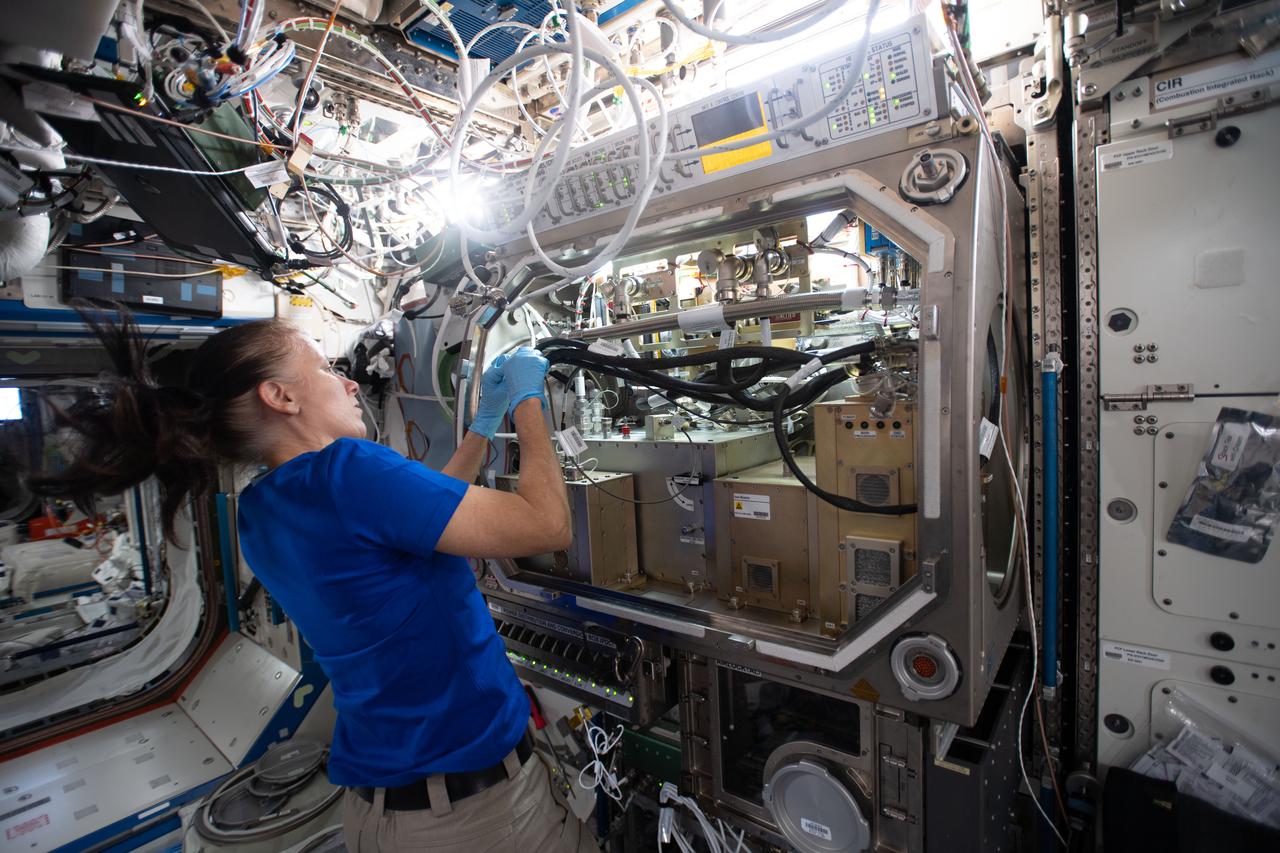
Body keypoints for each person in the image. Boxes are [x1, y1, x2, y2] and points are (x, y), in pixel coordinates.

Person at [30, 306, 598, 853]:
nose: (349, 383)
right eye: (326, 368)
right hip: (476, 819)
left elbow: (435, 516)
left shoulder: (261, 511)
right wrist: (527, 402)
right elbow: (547, 525)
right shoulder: (349, 473)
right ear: (280, 396)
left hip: (390, 810)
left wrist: (482, 426)